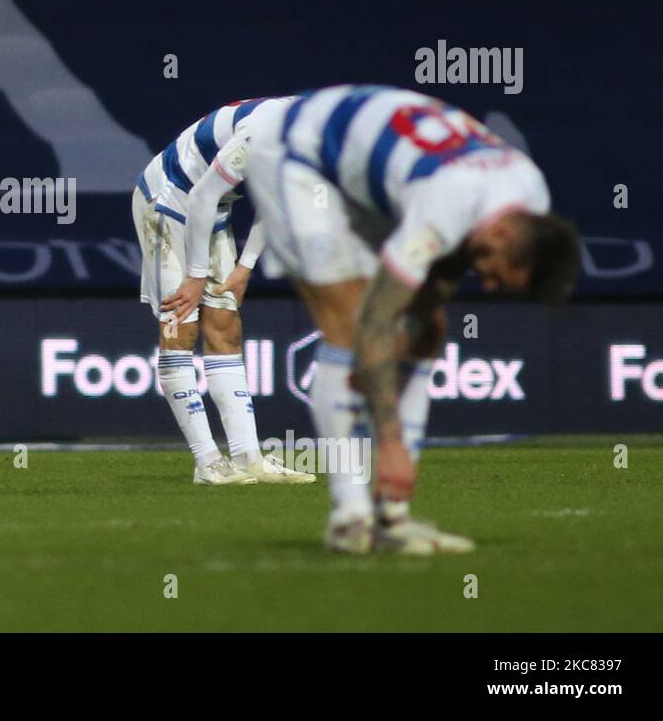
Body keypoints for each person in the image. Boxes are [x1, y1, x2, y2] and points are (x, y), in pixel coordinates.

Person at [223, 84, 580, 553]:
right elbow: (376, 321)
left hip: (367, 173)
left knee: (427, 327)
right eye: (498, 274)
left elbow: (431, 296)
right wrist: (389, 445)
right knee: (350, 327)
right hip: (298, 158)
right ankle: (351, 519)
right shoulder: (449, 202)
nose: (488, 285)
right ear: (505, 232)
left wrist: (423, 318)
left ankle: (391, 515)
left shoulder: (526, 192)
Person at [136, 96, 313, 485]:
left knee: (225, 324)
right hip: (166, 203)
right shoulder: (264, 133)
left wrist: (245, 267)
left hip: (212, 212)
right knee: (179, 324)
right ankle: (207, 462)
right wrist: (196, 277)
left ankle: (249, 458)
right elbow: (200, 194)